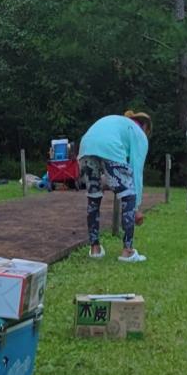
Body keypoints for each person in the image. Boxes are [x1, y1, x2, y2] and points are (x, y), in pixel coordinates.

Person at [77, 110, 152, 262]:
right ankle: (127, 251)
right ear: (145, 127)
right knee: (128, 194)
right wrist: (136, 207)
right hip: (110, 147)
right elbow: (136, 170)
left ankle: (95, 248)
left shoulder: (119, 123)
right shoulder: (139, 133)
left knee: (93, 196)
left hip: (86, 146)